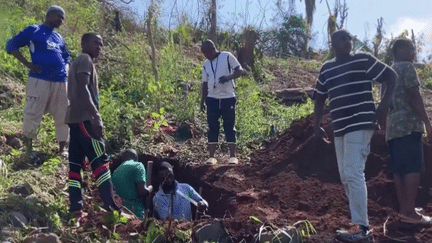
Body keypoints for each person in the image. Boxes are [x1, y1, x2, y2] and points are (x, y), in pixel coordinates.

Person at [313, 29, 396, 243]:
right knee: (346, 177)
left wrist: (384, 105)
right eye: (342, 39)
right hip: (339, 127)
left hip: (360, 123)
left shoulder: (363, 60)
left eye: (350, 38)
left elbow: (391, 76)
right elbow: (319, 98)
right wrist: (316, 126)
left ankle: (362, 229)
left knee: (353, 173)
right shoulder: (327, 68)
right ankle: (359, 226)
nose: (347, 42)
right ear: (333, 43)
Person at [65, 33, 119, 222]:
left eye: (101, 44)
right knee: (101, 162)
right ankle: (111, 208)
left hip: (74, 120)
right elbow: (83, 88)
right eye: (96, 43)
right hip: (85, 120)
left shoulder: (78, 61)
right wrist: (96, 116)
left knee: (75, 166)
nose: (99, 47)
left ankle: (75, 209)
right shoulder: (85, 59)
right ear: (84, 43)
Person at [6, 5, 70, 157]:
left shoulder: (59, 37)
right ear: (49, 14)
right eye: (59, 16)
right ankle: (29, 149)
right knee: (33, 112)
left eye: (63, 18)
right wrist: (27, 64)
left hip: (61, 81)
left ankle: (63, 149)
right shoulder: (33, 30)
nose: (61, 20)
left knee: (64, 114)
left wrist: (66, 69)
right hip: (39, 79)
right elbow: (11, 44)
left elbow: (66, 57)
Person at [387, 39, 432, 225]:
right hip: (408, 124)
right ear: (400, 50)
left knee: (399, 169)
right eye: (411, 48)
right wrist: (428, 123)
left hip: (393, 126)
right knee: (413, 167)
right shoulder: (407, 67)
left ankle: (405, 209)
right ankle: (410, 213)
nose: (413, 52)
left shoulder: (389, 70)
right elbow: (414, 96)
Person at [200, 40, 247, 165]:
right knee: (212, 127)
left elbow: (240, 71)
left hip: (228, 98)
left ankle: (232, 156)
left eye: (206, 53)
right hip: (212, 99)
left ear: (212, 49)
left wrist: (228, 77)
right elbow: (204, 83)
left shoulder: (227, 56)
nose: (205, 56)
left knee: (229, 126)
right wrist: (202, 101)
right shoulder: (206, 64)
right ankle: (211, 157)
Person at [112, 149, 153, 218]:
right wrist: (150, 189)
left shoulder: (116, 171)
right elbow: (142, 191)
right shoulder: (138, 166)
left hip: (121, 213)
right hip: (135, 212)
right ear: (136, 157)